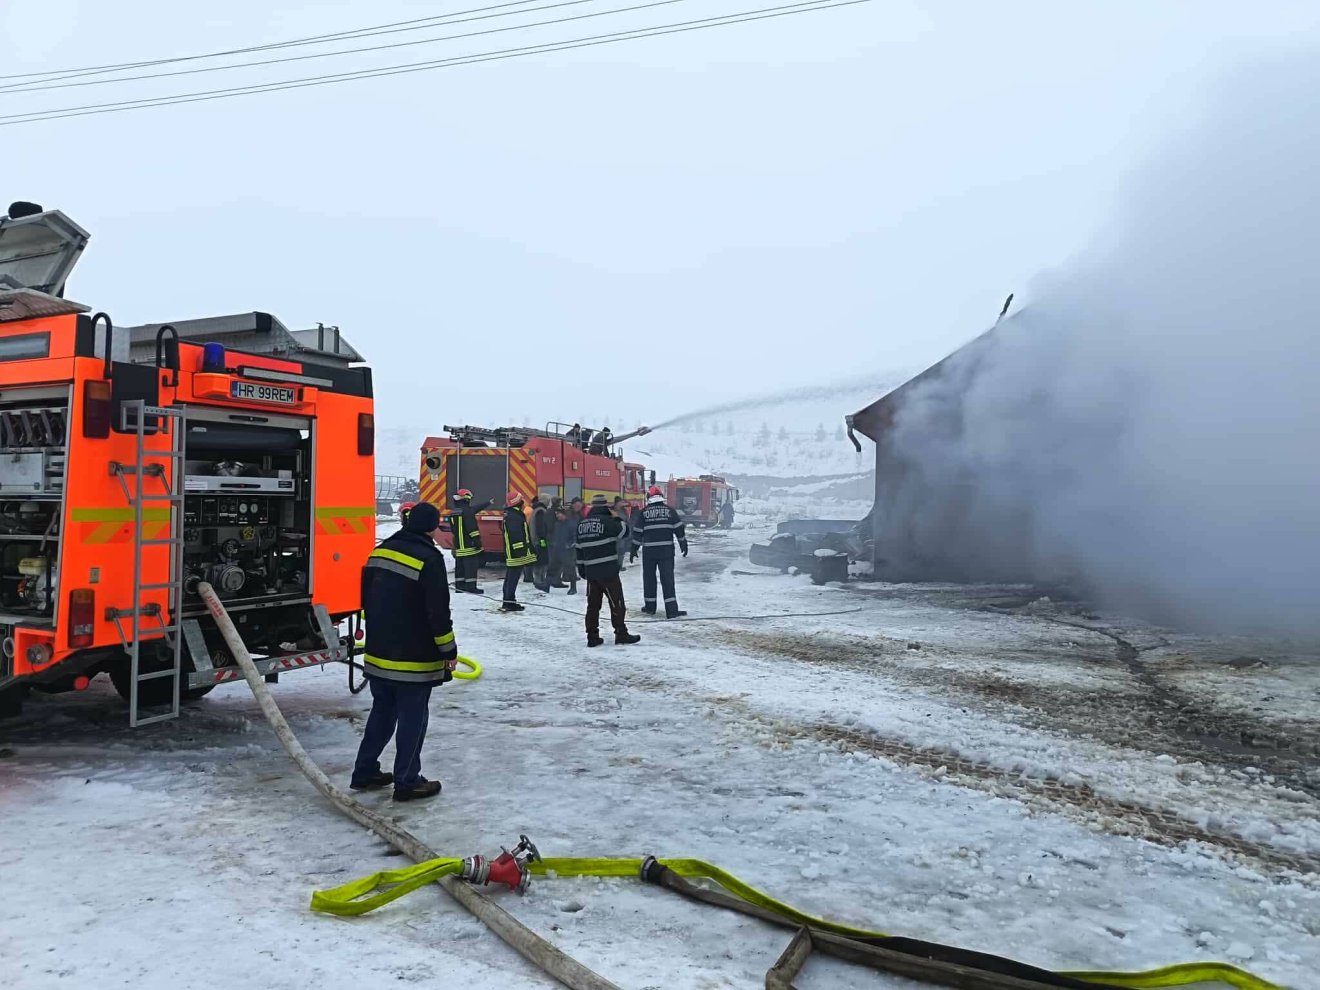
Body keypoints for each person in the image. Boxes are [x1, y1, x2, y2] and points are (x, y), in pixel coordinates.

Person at [352, 502, 457, 802]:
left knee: (382, 713)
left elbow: (366, 597)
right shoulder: (429, 559)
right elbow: (437, 613)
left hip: (378, 653)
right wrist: (449, 650)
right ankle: (408, 781)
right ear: (432, 527)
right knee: (413, 717)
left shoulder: (381, 551)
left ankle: (364, 771)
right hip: (413, 658)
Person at [576, 494, 640, 647]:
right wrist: (618, 517)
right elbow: (625, 532)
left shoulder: (581, 525)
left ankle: (592, 636)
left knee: (593, 606)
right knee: (616, 603)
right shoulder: (609, 522)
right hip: (608, 571)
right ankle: (621, 633)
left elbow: (578, 550)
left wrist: (582, 570)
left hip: (591, 572)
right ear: (605, 507)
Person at [631, 485, 688, 618]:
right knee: (668, 580)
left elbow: (638, 532)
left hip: (649, 552)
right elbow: (679, 529)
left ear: (649, 497)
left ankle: (650, 607)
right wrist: (683, 544)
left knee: (649, 579)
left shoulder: (644, 512)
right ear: (661, 497)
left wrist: (634, 549)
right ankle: (672, 610)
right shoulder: (670, 511)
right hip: (666, 552)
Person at [447, 488, 490, 594]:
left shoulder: (454, 513)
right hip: (469, 546)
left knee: (460, 567)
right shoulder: (468, 512)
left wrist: (488, 503)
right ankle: (471, 587)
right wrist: (477, 542)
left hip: (459, 546)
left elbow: (453, 529)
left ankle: (460, 586)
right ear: (466, 499)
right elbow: (472, 529)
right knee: (471, 566)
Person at [501, 491, 537, 611]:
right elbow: (516, 535)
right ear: (518, 502)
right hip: (516, 553)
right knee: (512, 578)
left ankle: (508, 601)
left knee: (511, 577)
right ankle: (509, 603)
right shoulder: (514, 517)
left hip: (514, 551)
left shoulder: (512, 515)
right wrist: (520, 550)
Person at [549, 506, 578, 595]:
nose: (557, 516)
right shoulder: (557, 524)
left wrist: (569, 545)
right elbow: (556, 536)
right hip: (557, 549)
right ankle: (547, 584)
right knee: (553, 567)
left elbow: (575, 536)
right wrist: (553, 543)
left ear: (564, 514)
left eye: (558, 514)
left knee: (570, 568)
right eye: (556, 514)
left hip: (568, 550)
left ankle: (573, 587)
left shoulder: (571, 524)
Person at [531, 495, 553, 591]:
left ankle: (539, 579)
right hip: (540, 540)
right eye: (548, 501)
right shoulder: (541, 511)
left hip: (536, 539)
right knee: (541, 560)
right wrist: (543, 538)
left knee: (540, 560)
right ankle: (538, 580)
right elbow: (540, 527)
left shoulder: (536, 510)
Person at [612, 496, 631, 570]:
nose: (622, 503)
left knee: (621, 550)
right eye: (621, 502)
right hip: (614, 535)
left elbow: (627, 521)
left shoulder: (624, 511)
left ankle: (620, 565)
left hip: (622, 535)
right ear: (617, 503)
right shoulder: (612, 511)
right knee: (614, 551)